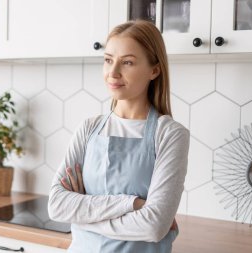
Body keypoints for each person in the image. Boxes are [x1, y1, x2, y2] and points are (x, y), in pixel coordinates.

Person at [48, 20, 190, 253]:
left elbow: (154, 226)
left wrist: (83, 216)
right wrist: (131, 204)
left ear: (154, 70)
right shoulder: (88, 129)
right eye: (108, 60)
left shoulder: (170, 135)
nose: (113, 73)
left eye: (127, 62)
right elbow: (56, 206)